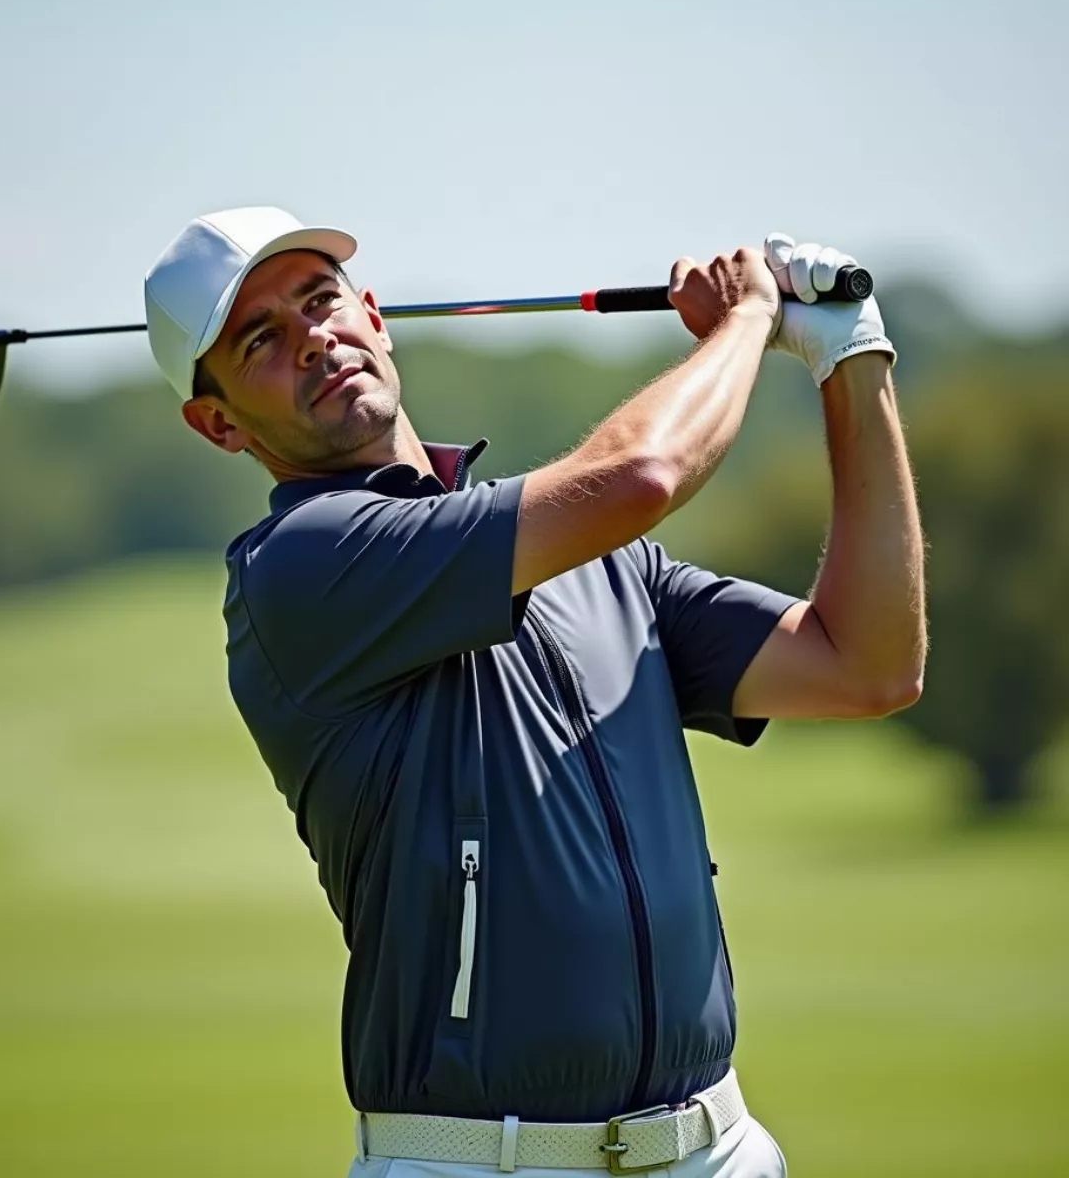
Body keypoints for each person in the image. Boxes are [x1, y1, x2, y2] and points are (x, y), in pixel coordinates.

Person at [143, 206, 925, 1177]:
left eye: (319, 300)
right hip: (482, 1161)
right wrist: (744, 322)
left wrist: (851, 355)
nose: (313, 340)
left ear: (373, 315)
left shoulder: (596, 563)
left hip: (717, 1147)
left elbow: (869, 663)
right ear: (216, 423)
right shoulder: (299, 569)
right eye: (262, 339)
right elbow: (642, 472)